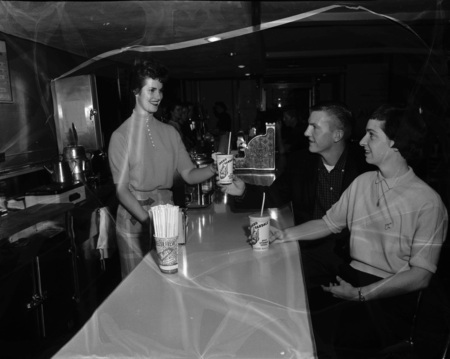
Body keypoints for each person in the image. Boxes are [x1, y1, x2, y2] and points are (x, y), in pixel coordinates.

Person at [270, 104, 448, 358]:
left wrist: (360, 294)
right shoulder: (363, 182)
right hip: (352, 280)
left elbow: (420, 276)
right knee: (290, 315)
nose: (362, 141)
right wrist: (284, 235)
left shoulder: (428, 203)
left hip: (390, 298)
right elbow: (328, 223)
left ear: (396, 143)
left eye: (372, 135)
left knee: (317, 338)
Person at [221, 101, 371, 290]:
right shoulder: (301, 162)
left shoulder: (365, 166)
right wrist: (243, 191)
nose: (306, 132)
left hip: (354, 257)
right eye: (308, 125)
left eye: (314, 127)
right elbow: (274, 195)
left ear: (337, 135)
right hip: (309, 250)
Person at [108, 59, 216, 278]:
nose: (158, 96)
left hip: (166, 213)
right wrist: (150, 223)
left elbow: (189, 174)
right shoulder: (120, 136)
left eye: (160, 90)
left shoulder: (170, 133)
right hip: (134, 218)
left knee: (168, 279)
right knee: (136, 283)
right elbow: (121, 190)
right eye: (152, 90)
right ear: (136, 91)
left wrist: (215, 168)